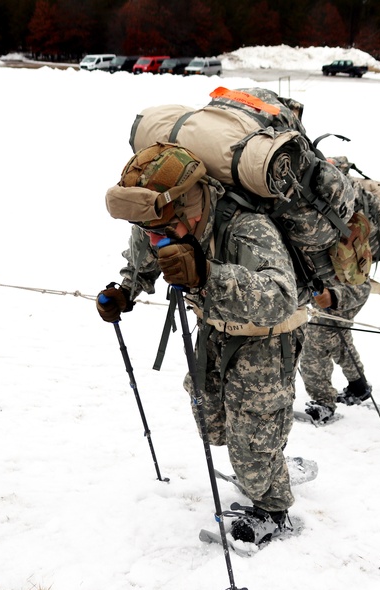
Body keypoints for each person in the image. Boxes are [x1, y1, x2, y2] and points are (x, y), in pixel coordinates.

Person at [98, 143, 305, 546]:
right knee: (213, 424)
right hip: (211, 332)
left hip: (264, 341)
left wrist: (208, 275)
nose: (152, 236)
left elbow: (281, 297)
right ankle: (268, 457)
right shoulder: (155, 221)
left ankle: (274, 510)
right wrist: (126, 291)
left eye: (159, 230)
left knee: (251, 438)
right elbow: (143, 260)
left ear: (190, 206)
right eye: (148, 230)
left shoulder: (246, 227)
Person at [298, 176, 380, 423]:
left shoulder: (340, 217)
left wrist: (334, 296)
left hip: (346, 288)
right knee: (339, 336)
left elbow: (359, 281)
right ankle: (359, 385)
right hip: (339, 286)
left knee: (316, 343)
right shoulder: (324, 214)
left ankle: (323, 402)